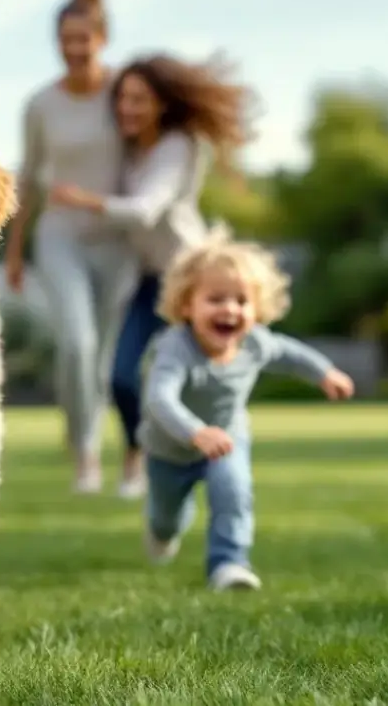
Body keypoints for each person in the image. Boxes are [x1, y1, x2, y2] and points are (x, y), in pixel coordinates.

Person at [44, 54, 249, 498]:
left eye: (139, 100)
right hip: (151, 281)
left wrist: (83, 200)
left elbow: (145, 210)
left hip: (192, 282)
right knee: (121, 376)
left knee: (198, 379)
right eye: (122, 99)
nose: (126, 109)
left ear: (162, 103)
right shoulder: (133, 146)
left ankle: (213, 465)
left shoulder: (178, 145)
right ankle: (136, 460)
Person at [139, 228, 355, 590]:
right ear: (186, 304)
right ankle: (163, 531)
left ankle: (228, 563)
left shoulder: (254, 343)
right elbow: (160, 398)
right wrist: (195, 432)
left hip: (227, 437)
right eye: (216, 299)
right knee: (166, 521)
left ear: (257, 309)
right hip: (170, 449)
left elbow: (289, 353)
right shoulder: (175, 348)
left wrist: (325, 373)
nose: (229, 309)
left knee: (234, 491)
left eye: (241, 301)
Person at [4, 0, 138, 494]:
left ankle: (86, 427)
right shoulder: (40, 104)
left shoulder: (123, 94)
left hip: (117, 241)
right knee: (77, 343)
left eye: (85, 39)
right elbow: (29, 177)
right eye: (66, 39)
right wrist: (15, 251)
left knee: (103, 356)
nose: (75, 49)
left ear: (103, 38)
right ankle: (86, 454)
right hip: (60, 237)